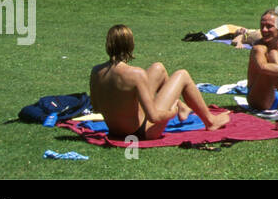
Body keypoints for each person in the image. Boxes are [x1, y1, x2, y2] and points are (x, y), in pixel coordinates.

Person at [90, 25, 230, 140]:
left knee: (158, 68)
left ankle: (183, 107)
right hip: (141, 132)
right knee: (182, 75)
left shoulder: (96, 71)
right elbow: (154, 117)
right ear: (130, 45)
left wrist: (124, 105)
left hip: (115, 131)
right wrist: (171, 112)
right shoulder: (135, 74)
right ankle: (210, 121)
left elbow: (96, 108)